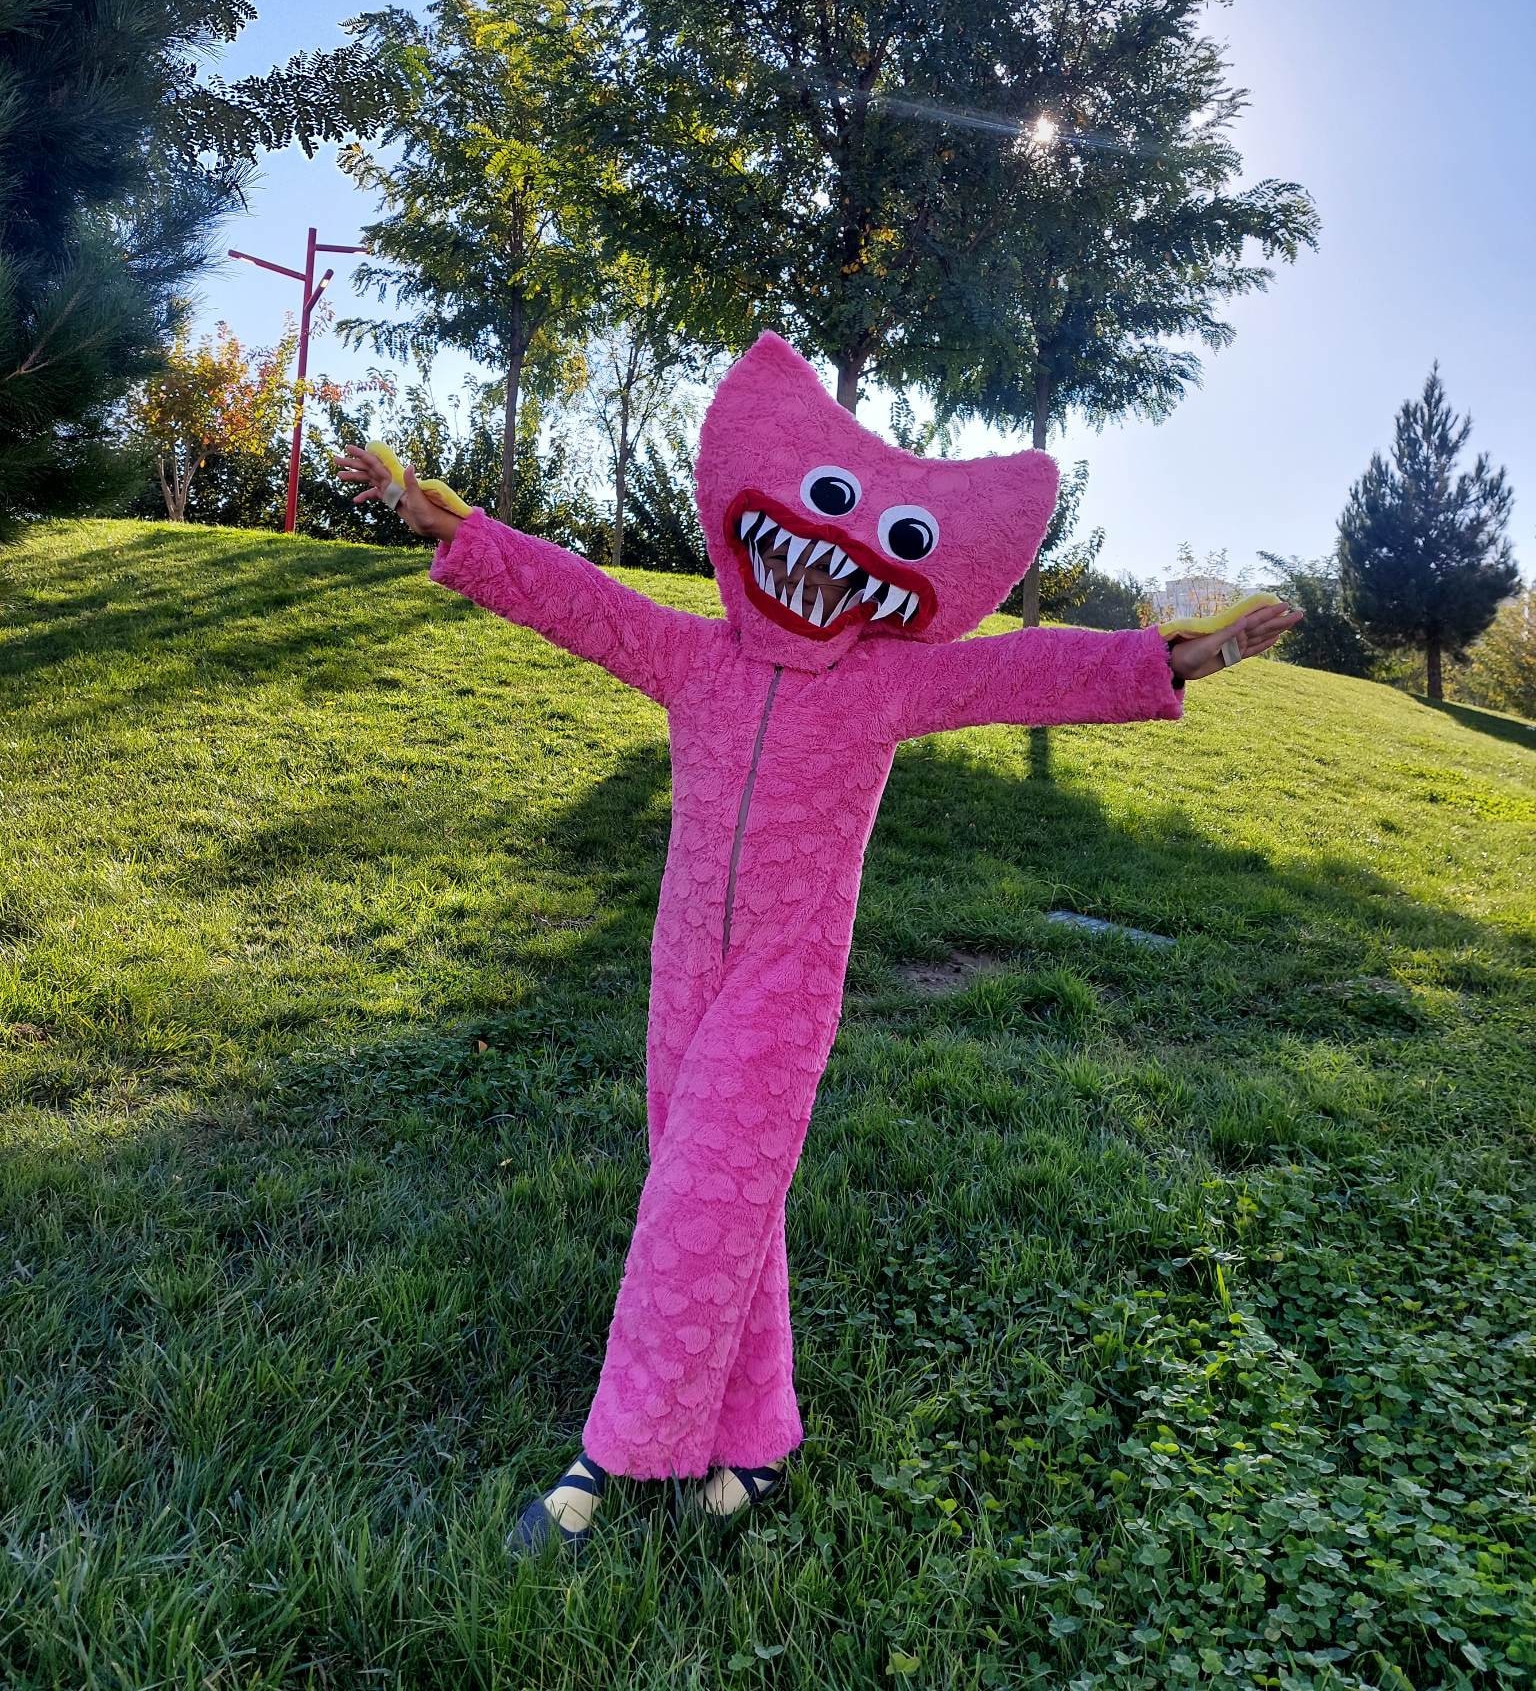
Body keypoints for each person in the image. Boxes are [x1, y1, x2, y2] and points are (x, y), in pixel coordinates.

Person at [336, 331, 1301, 1558]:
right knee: (731, 1200)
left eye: (887, 537)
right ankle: (749, 1444)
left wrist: (1195, 653)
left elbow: (1031, 670)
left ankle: (607, 1462)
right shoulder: (695, 655)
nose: (840, 553)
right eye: (826, 511)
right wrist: (443, 520)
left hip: (786, 990)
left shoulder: (889, 687)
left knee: (696, 1200)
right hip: (681, 967)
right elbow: (575, 596)